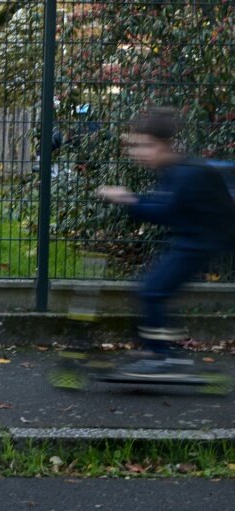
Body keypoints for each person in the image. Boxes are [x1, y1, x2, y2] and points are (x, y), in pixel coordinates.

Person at [97, 107, 235, 376]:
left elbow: (164, 212)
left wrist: (127, 199)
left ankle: (161, 356)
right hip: (192, 240)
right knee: (150, 290)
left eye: (145, 146)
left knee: (152, 292)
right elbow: (164, 207)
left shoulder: (186, 174)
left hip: (201, 244)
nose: (138, 153)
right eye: (136, 146)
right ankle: (159, 350)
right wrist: (132, 199)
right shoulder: (176, 170)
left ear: (164, 145)